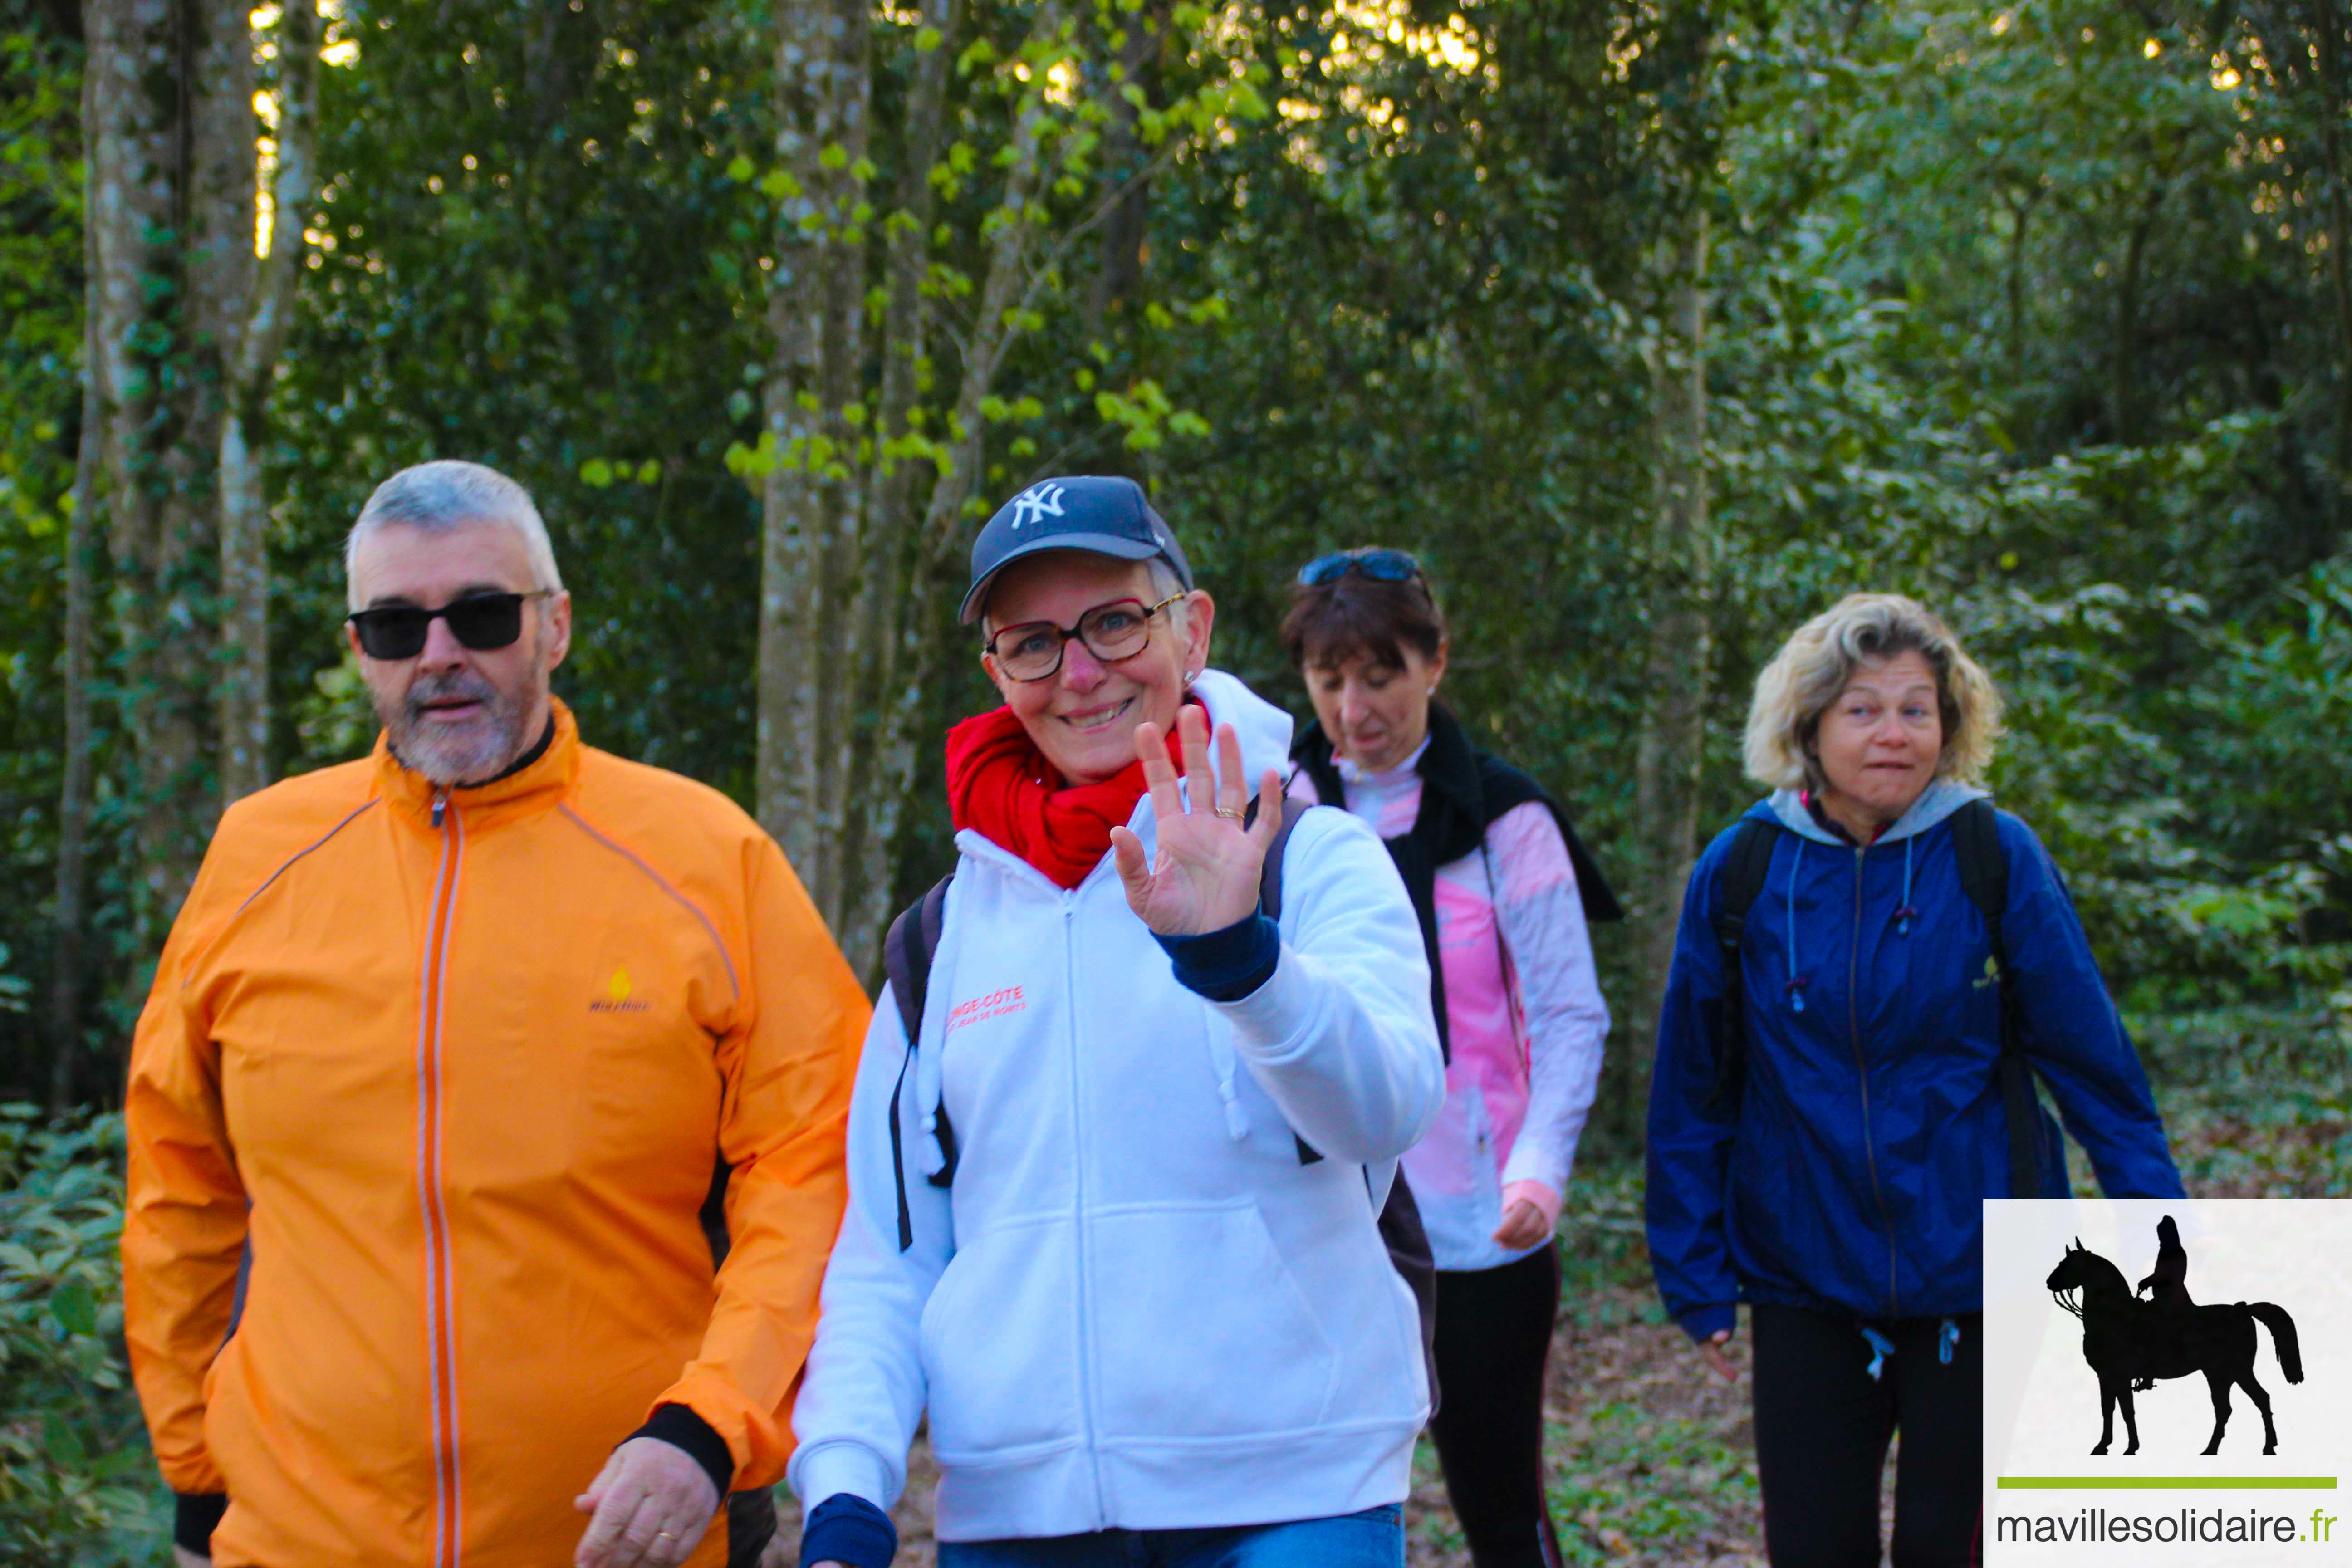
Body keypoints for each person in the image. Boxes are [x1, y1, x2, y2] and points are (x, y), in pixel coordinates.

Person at [121, 461, 870, 1568]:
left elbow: (817, 1163)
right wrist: (193, 1477)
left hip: (634, 1537)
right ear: (357, 650)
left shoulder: (707, 861)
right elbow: (178, 1178)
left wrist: (715, 1421)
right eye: (394, 626)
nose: (440, 656)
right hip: (296, 1540)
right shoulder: (259, 858)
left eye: (482, 614)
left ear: (554, 626)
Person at [787, 475, 1445, 1568]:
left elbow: (1389, 1106)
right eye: (1033, 643)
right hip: (1016, 1516)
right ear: (997, 674)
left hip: (1294, 1492)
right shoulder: (939, 938)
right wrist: (848, 1488)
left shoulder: (1308, 854)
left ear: (1191, 630)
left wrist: (1241, 962)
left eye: (1113, 622)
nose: (1080, 674)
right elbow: (891, 1254)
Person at [1644, 592, 2184, 1568]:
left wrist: (2162, 1227)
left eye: (1916, 709)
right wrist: (1694, 1270)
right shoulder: (1744, 872)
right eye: (1862, 709)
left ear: (1950, 724)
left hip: (1982, 1271)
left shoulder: (1993, 856)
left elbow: (2091, 1060)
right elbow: (1695, 1085)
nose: (1893, 733)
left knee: (1955, 1551)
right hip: (1806, 1270)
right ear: (1807, 726)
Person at [1282, 548, 1619, 1568]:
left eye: (1379, 675)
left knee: (1499, 1505)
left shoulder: (1506, 818)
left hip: (1480, 1223)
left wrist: (1540, 1171)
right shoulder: (1279, 809)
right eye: (1329, 680)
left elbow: (1569, 1015)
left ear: (1436, 662)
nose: (1354, 707)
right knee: (1309, 1507)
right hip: (1320, 1217)